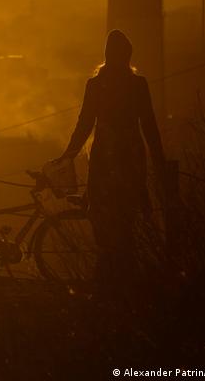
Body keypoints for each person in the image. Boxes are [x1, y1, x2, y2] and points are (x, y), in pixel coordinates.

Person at [54, 29, 165, 291]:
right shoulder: (138, 85)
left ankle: (109, 273)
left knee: (105, 213)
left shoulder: (96, 85)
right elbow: (148, 124)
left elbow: (84, 124)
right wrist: (158, 158)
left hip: (107, 154)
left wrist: (69, 155)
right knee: (126, 213)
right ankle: (124, 273)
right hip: (128, 155)